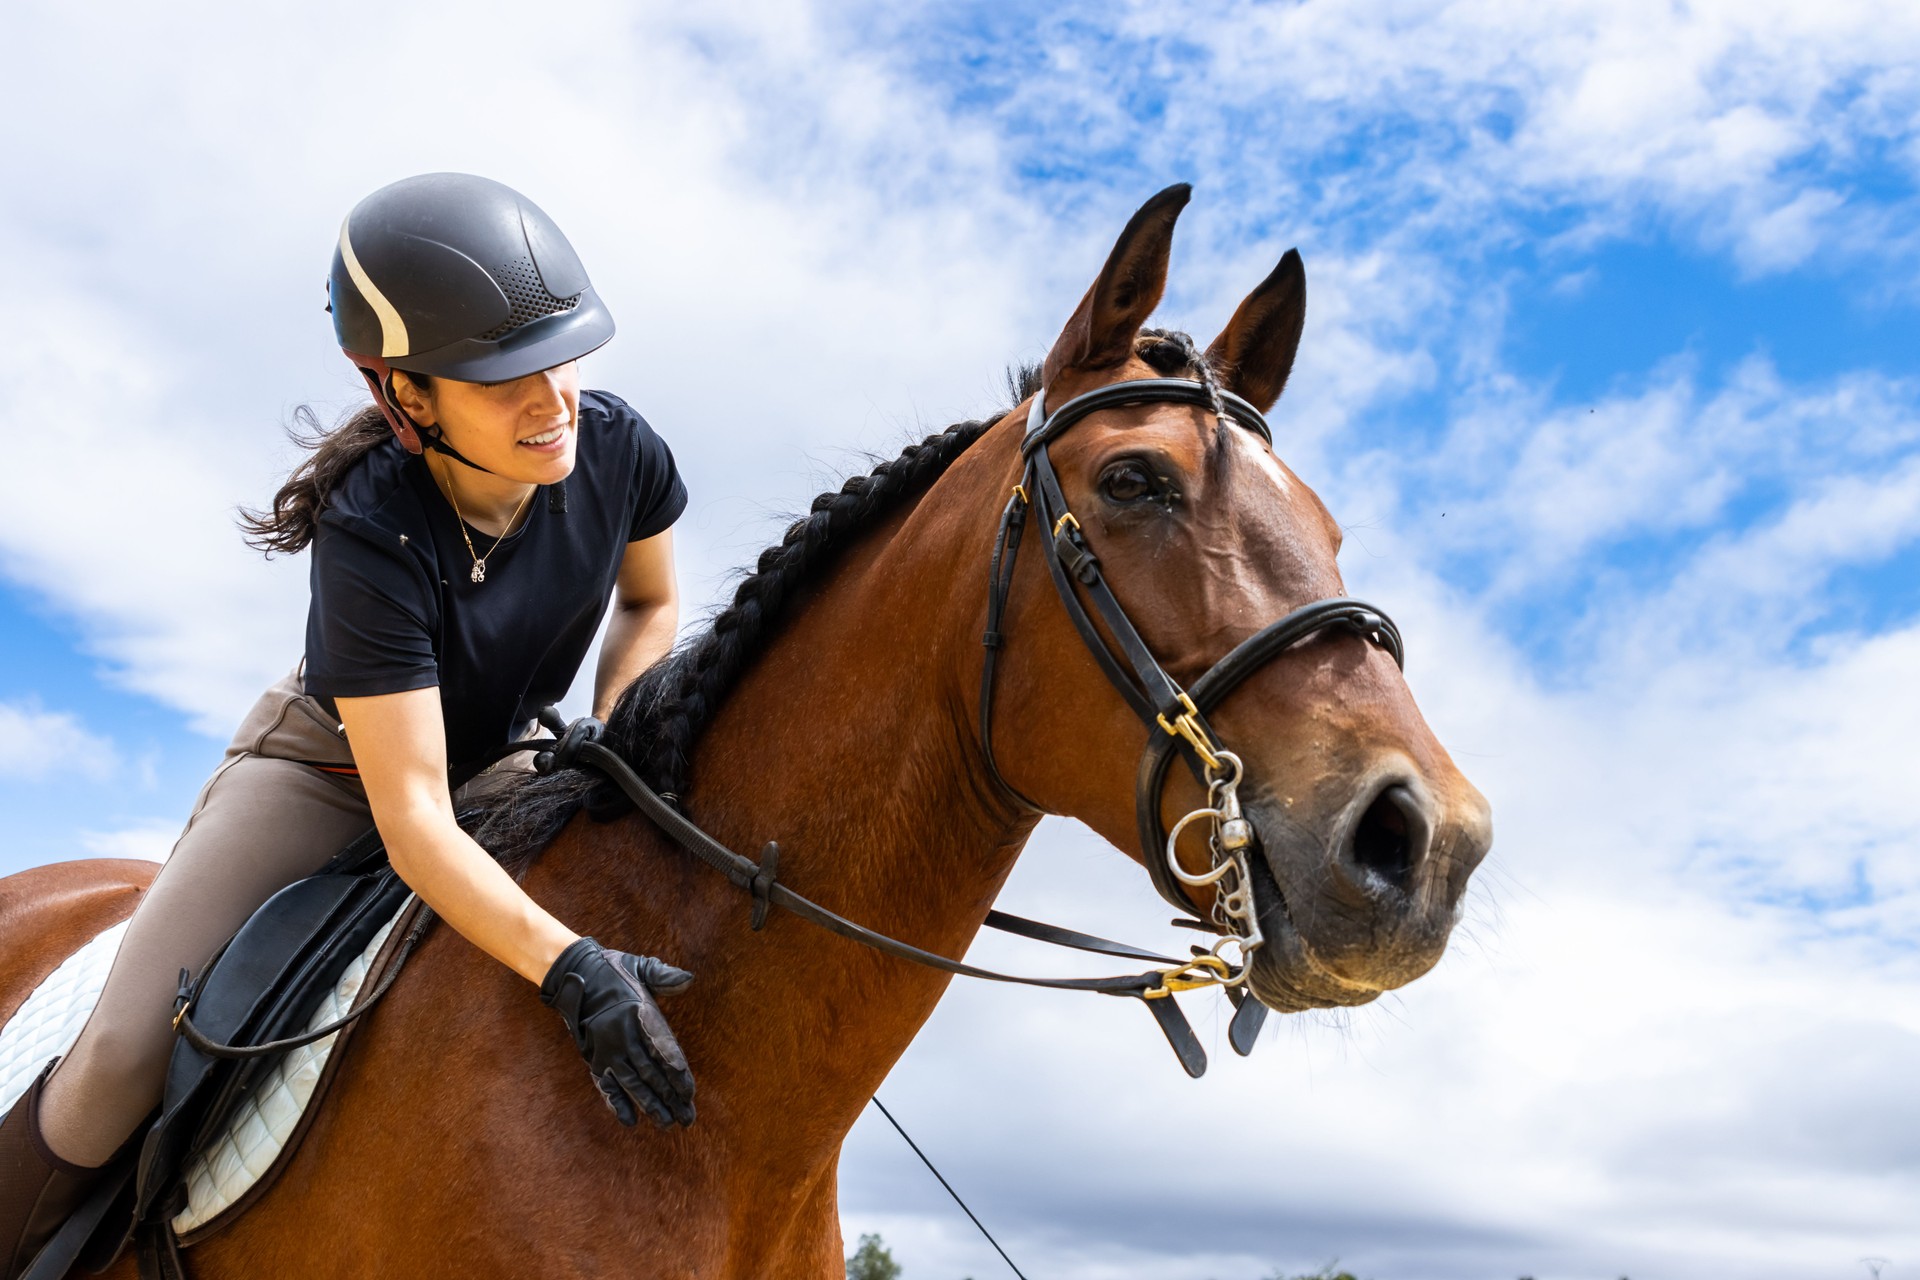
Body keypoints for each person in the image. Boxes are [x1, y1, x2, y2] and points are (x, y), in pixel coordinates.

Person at [0, 173, 698, 1278]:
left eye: (564, 356)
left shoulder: (618, 449)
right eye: (504, 378)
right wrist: (568, 964)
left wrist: (614, 722)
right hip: (327, 769)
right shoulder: (370, 528)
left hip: (500, 758)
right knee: (116, 1068)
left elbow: (652, 602)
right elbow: (413, 814)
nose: (555, 399)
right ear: (404, 393)